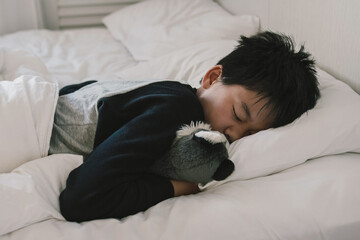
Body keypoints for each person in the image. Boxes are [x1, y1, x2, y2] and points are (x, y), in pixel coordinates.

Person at [54, 31, 320, 222]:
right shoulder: (178, 109)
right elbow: (80, 201)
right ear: (213, 77)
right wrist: (175, 187)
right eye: (238, 115)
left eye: (251, 134)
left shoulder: (171, 92)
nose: (234, 135)